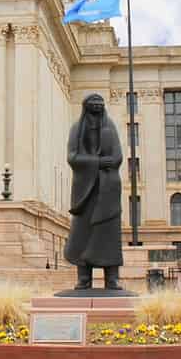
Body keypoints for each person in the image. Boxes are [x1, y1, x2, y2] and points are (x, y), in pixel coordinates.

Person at [63, 93, 124, 290]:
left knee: (109, 234)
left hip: (108, 189)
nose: (97, 109)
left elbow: (117, 157)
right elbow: (72, 157)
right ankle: (84, 278)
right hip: (85, 191)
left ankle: (112, 277)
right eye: (93, 106)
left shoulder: (111, 128)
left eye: (100, 105)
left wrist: (107, 163)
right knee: (83, 234)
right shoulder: (76, 129)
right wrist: (97, 162)